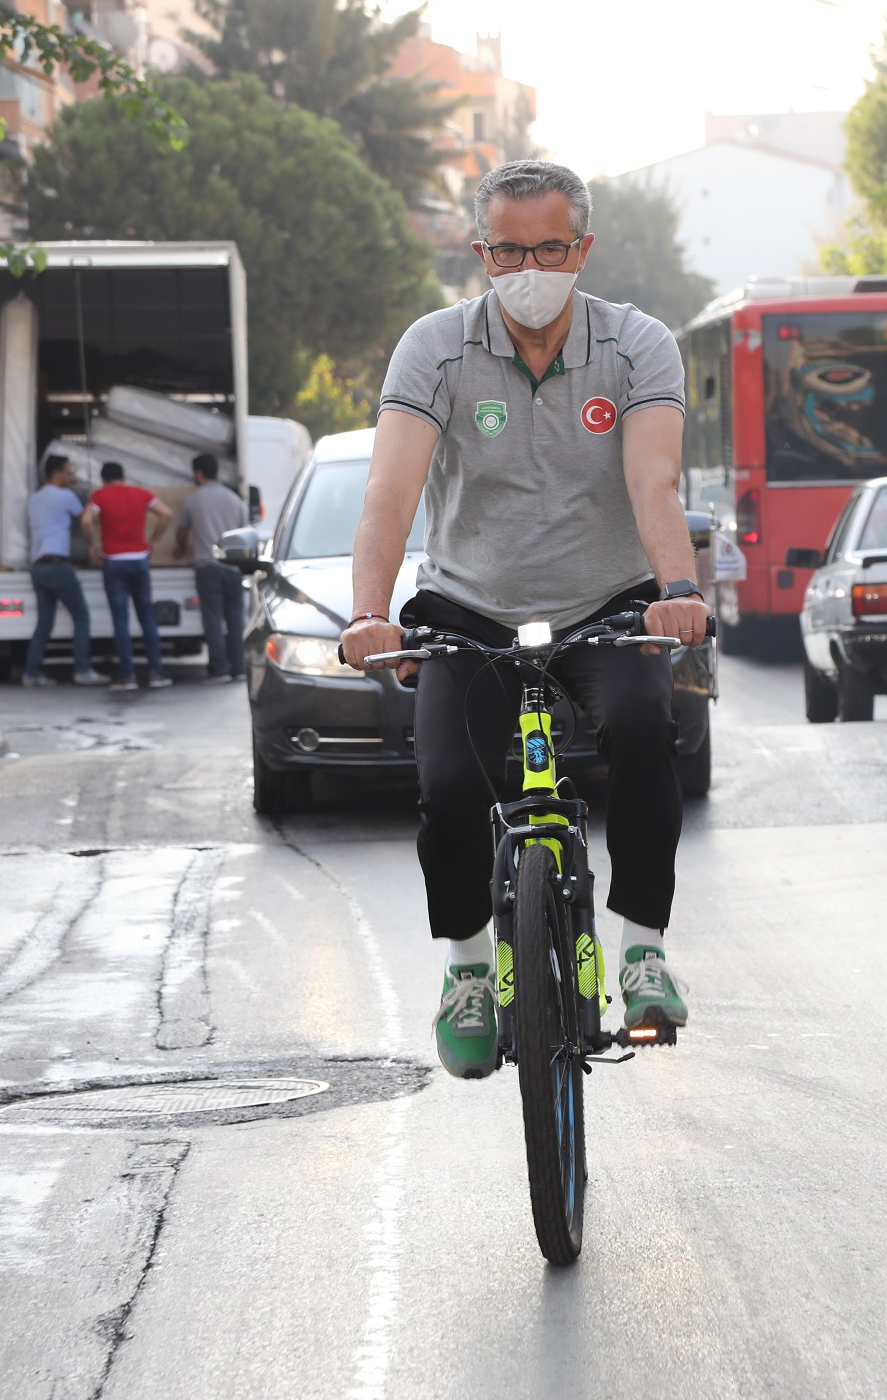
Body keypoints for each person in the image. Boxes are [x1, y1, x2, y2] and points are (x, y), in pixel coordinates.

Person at [341, 159, 709, 1080]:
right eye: (509, 249)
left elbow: (651, 480)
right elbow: (391, 489)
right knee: (450, 787)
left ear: (582, 248)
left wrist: (681, 588)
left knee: (641, 725)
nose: (530, 265)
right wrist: (368, 612)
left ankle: (643, 950)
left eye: (550, 247)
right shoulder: (435, 347)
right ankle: (467, 973)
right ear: (480, 253)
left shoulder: (636, 346)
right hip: (470, 605)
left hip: (607, 602)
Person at [83, 462, 174, 690]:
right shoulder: (140, 493)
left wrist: (92, 545)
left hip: (114, 562)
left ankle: (128, 675)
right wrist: (153, 540)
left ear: (103, 480)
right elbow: (166, 513)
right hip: (139, 560)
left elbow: (86, 520)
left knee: (121, 620)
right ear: (124, 477)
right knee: (147, 618)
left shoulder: (100, 495)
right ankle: (157, 673)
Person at [23, 458, 110, 687]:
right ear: (57, 474)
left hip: (38, 567)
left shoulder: (34, 498)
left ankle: (31, 673)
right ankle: (82, 669)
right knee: (81, 616)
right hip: (58, 566)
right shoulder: (66, 496)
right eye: (69, 473)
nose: (72, 479)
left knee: (44, 623)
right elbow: (86, 519)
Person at [174, 452, 249, 683]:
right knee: (236, 619)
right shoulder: (235, 500)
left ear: (198, 473)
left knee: (213, 618)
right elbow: (244, 533)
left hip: (208, 567)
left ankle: (220, 669)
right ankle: (239, 668)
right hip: (233, 567)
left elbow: (182, 531)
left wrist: (181, 548)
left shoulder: (193, 500)